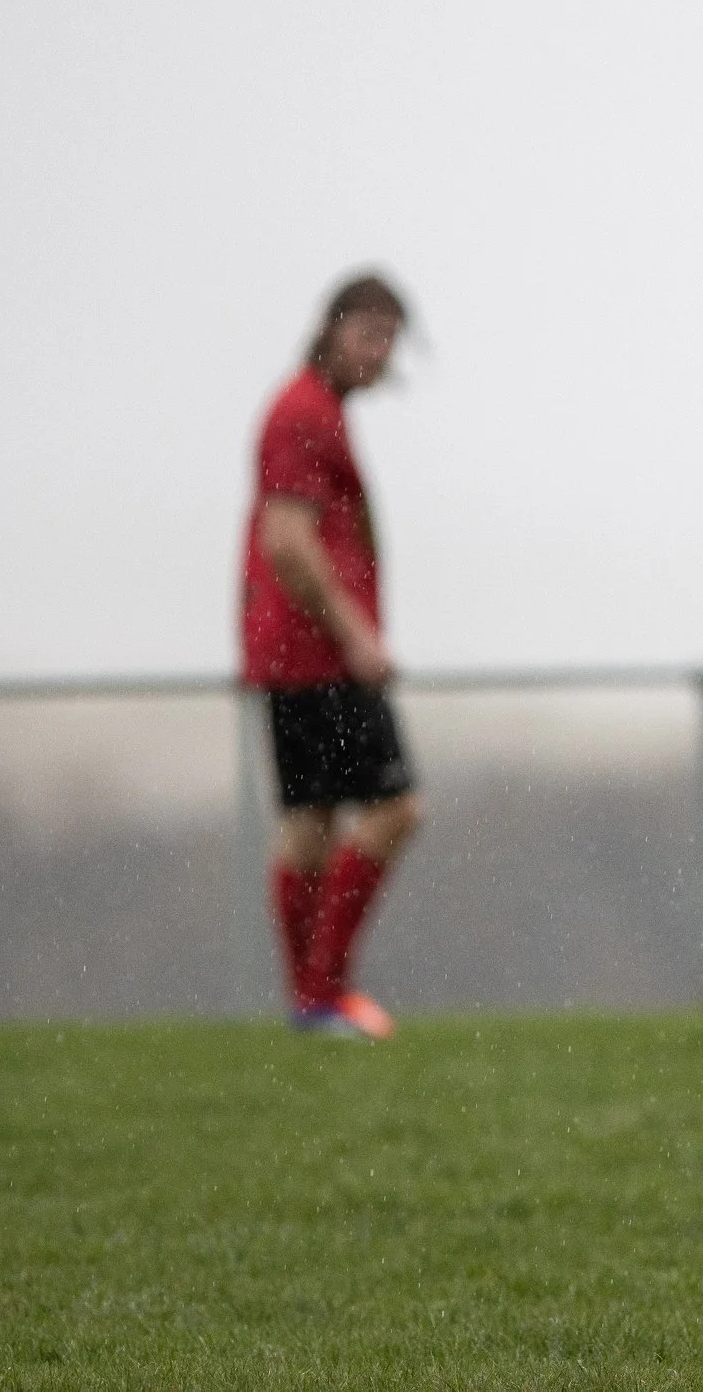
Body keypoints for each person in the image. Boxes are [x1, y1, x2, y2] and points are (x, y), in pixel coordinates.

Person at [240, 272, 420, 1040]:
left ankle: (313, 1005)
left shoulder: (314, 412)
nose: (378, 353)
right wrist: (356, 635)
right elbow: (287, 541)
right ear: (331, 327)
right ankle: (322, 993)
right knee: (394, 807)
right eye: (367, 333)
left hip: (291, 651)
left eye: (389, 339)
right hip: (317, 654)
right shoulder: (303, 414)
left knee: (311, 822)